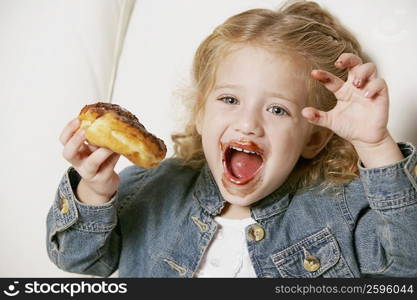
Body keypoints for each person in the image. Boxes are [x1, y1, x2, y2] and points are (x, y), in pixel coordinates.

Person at [46, 0, 417, 277]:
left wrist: (375, 145)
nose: (248, 123)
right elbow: (81, 260)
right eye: (229, 100)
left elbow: (408, 265)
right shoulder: (149, 189)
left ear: (314, 139)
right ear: (201, 113)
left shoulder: (340, 209)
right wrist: (94, 191)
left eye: (277, 109)